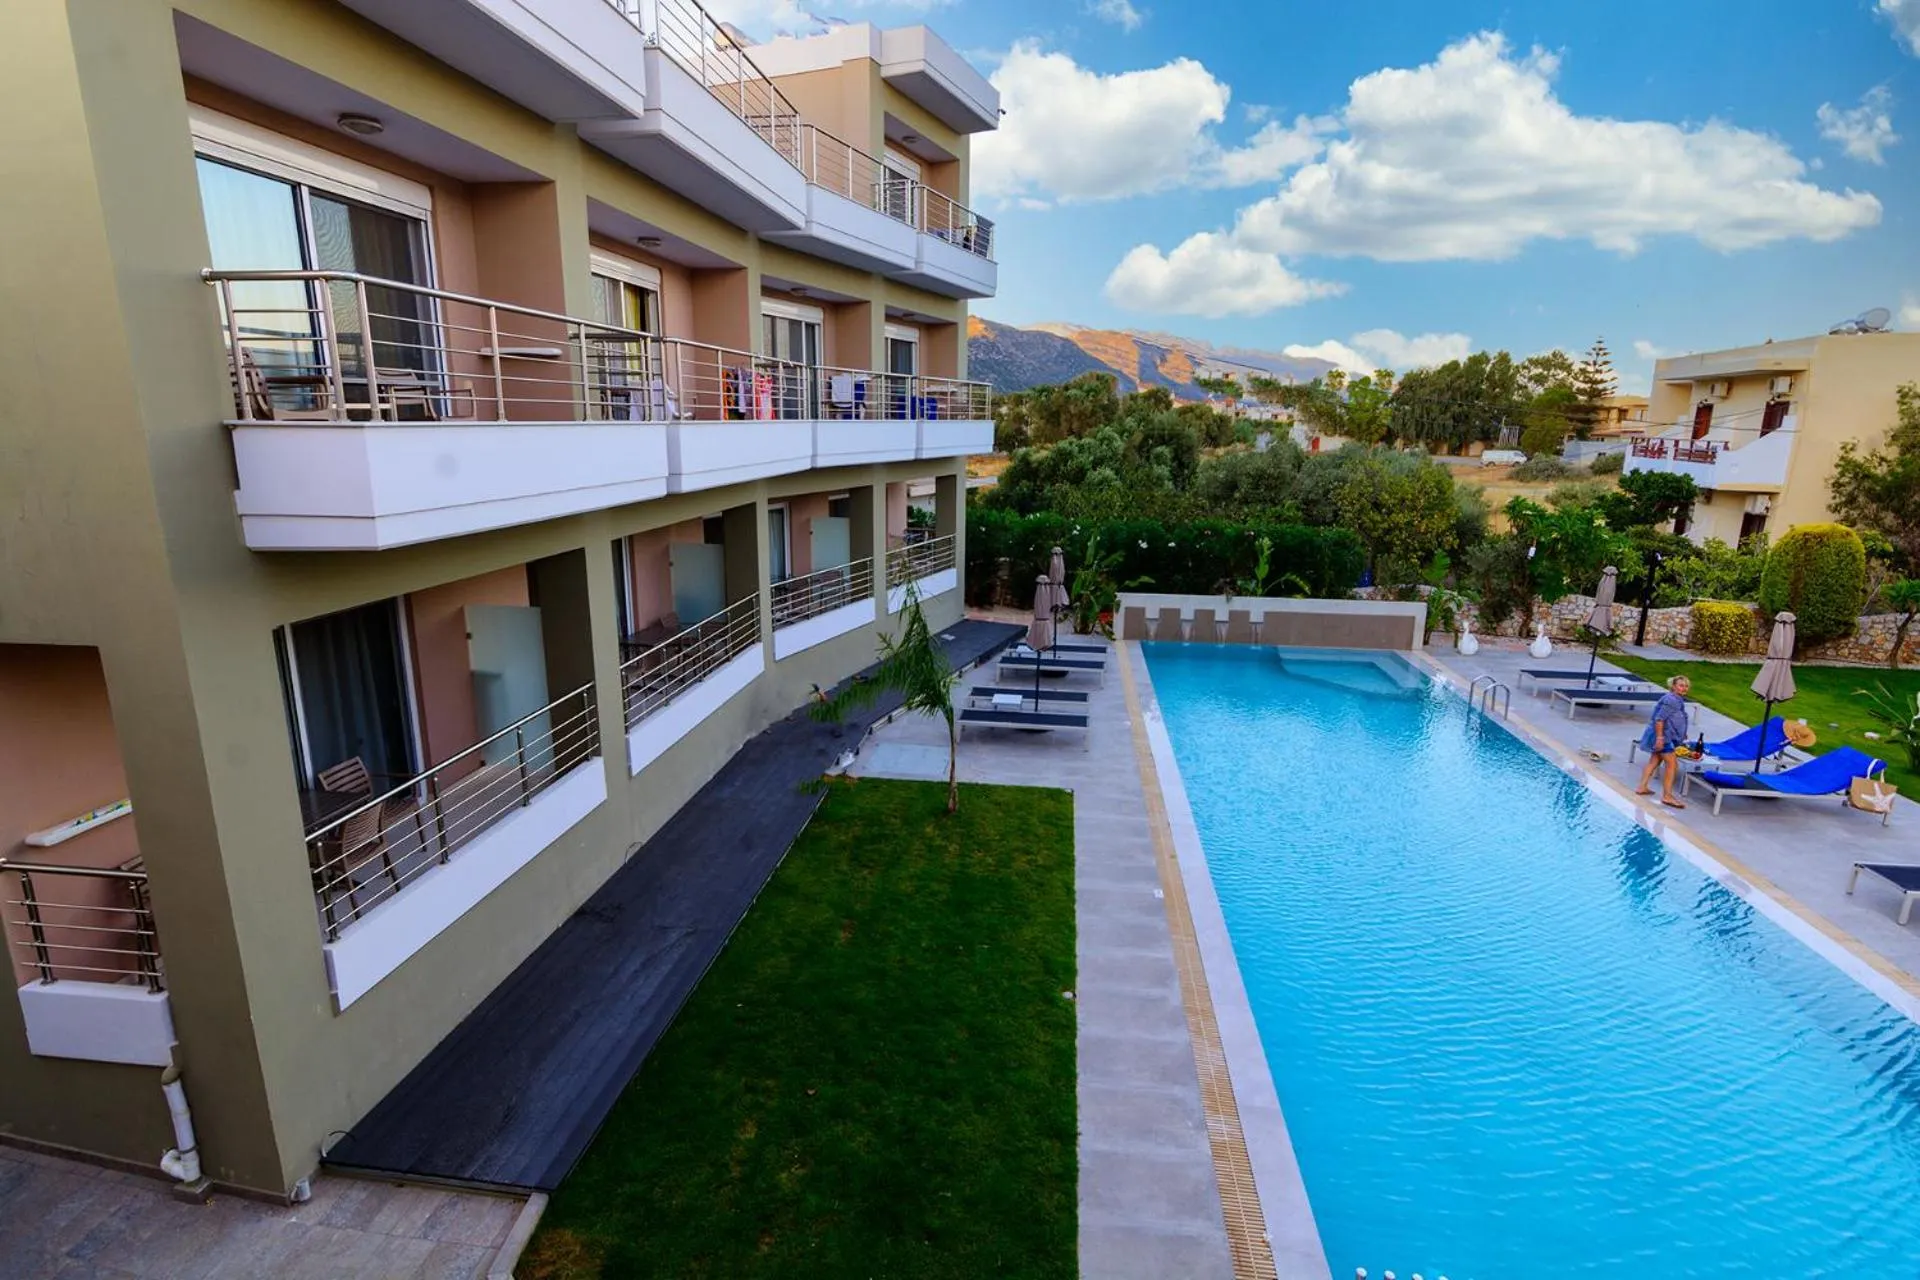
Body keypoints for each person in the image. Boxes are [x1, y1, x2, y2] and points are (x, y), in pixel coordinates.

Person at [1635, 675, 1693, 808]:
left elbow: (1675, 718)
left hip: (1664, 735)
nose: (1684, 688)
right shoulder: (1671, 700)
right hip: (1663, 737)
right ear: (1673, 686)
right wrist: (1660, 738)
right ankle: (1667, 796)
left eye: (1686, 686)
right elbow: (1659, 719)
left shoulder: (1675, 699)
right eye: (1681, 685)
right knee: (1672, 765)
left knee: (1655, 760)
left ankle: (1642, 787)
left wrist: (1682, 732)